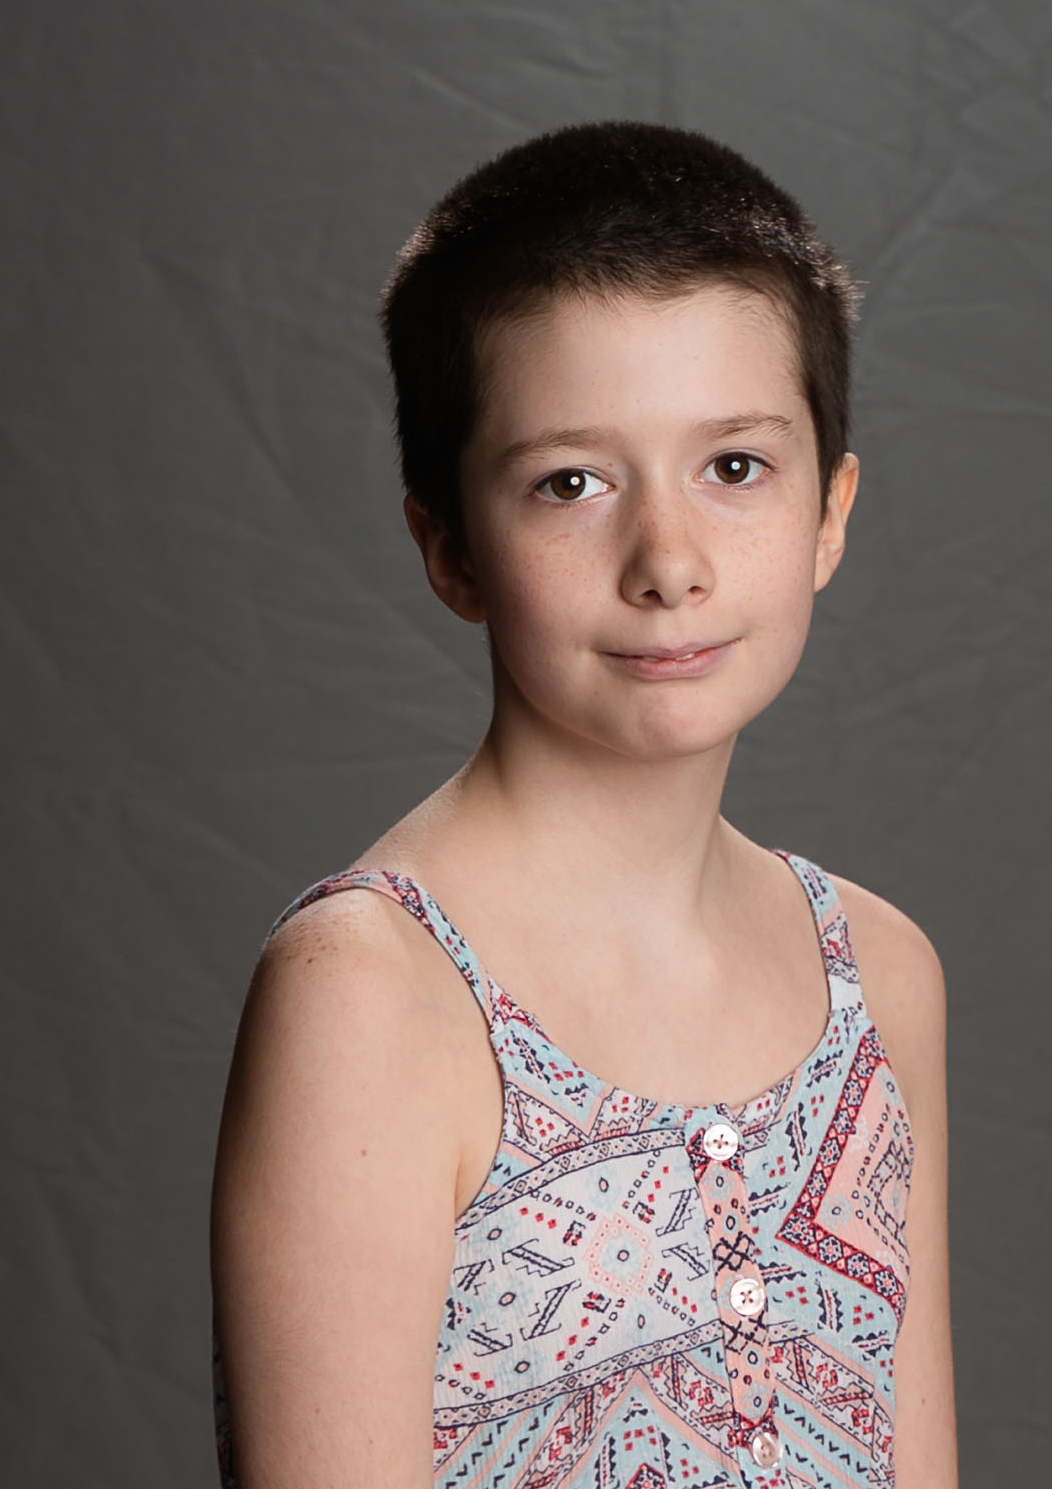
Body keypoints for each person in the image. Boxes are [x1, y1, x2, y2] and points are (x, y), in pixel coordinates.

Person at [209, 119, 958, 1489]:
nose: (667, 561)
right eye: (570, 483)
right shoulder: (372, 992)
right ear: (449, 546)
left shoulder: (877, 973)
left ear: (831, 510)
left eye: (734, 467)